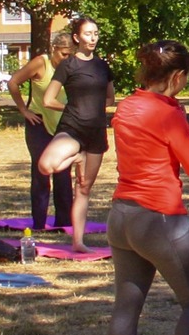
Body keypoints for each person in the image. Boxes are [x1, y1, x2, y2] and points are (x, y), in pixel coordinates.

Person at [109, 39, 189, 335]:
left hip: (122, 215)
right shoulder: (168, 114)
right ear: (177, 76)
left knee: (126, 305)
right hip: (161, 218)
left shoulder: (127, 105)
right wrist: (180, 119)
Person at [38, 16, 115, 254]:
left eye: (95, 33)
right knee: (46, 166)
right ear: (76, 37)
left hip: (96, 131)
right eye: (88, 33)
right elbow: (48, 100)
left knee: (83, 188)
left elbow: (110, 98)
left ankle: (78, 242)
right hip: (71, 128)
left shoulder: (102, 66)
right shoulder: (68, 65)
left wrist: (96, 110)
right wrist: (72, 109)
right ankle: (76, 158)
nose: (92, 38)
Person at [8, 30, 75, 231]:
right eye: (63, 54)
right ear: (53, 49)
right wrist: (23, 110)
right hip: (38, 124)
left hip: (62, 125)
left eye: (70, 54)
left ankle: (64, 222)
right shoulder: (41, 63)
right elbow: (13, 82)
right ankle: (39, 223)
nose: (67, 58)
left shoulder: (71, 66)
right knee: (41, 173)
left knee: (63, 173)